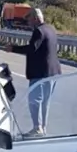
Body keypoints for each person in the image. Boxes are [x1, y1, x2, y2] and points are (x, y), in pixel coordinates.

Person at [25, 7, 62, 136]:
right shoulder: (51, 29)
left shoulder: (39, 31)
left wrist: (12, 48)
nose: (28, 23)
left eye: (29, 20)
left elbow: (31, 49)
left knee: (34, 100)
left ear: (35, 18)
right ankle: (43, 128)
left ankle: (37, 128)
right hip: (53, 72)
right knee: (45, 101)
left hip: (40, 73)